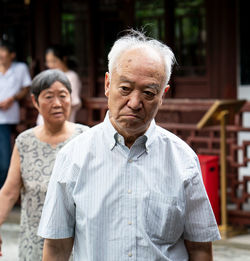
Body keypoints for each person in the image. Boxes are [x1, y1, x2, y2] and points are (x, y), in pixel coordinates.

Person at [38, 30, 221, 261]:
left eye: (148, 93)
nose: (134, 103)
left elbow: (200, 248)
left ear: (162, 95)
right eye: (124, 89)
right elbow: (56, 247)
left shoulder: (183, 159)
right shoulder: (73, 156)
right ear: (107, 84)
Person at [0, 69, 88, 260]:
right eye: (48, 97)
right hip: (34, 242)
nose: (57, 103)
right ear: (34, 101)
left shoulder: (86, 138)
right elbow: (9, 191)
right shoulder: (25, 142)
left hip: (75, 244)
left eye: (63, 96)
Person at [0, 40, 31, 188]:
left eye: (3, 50)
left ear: (12, 54)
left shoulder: (20, 68)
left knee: (5, 162)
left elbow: (26, 88)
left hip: (8, 117)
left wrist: (12, 98)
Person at [37, 45, 82, 124]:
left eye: (54, 61)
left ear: (64, 59)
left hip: (61, 124)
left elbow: (71, 103)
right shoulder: (47, 76)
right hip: (43, 124)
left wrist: (63, 126)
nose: (51, 65)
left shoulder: (71, 76)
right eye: (48, 62)